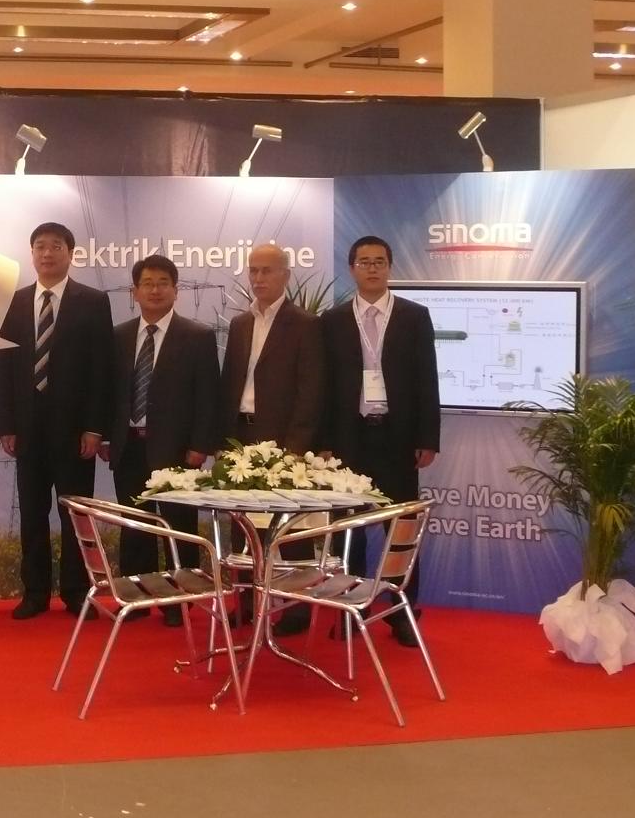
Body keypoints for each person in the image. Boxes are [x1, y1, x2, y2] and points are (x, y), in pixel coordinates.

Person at [321, 235, 441, 646]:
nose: (372, 268)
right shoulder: (332, 320)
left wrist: (428, 438)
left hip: (398, 437)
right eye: (364, 261)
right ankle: (351, 608)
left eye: (379, 261)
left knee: (401, 528)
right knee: (348, 529)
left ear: (389, 267)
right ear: (351, 268)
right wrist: (324, 442)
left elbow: (427, 378)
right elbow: (325, 386)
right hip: (348, 438)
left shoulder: (414, 316)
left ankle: (402, 611)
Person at [0, 221, 115, 620]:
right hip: (27, 430)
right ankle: (35, 593)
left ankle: (77, 592)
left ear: (70, 253)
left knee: (75, 515)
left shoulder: (92, 301)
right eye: (41, 247)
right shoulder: (15, 302)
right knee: (32, 514)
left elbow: (102, 369)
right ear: (32, 254)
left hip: (75, 432)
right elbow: (5, 366)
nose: (48, 253)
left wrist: (95, 427)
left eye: (56, 246)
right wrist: (6, 425)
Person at [105, 254, 220, 626]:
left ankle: (178, 603)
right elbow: (108, 393)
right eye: (147, 284)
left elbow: (208, 396)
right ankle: (136, 599)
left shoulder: (197, 336)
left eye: (163, 283)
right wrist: (107, 437)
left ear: (175, 290)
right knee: (135, 526)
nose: (155, 290)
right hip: (128, 446)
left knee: (178, 528)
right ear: (134, 292)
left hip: (178, 451)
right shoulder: (119, 336)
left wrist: (200, 445)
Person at [219, 242, 325, 632]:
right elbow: (230, 382)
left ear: (286, 275)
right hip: (241, 436)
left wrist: (297, 447)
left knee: (290, 527)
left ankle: (296, 608)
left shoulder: (306, 324)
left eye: (267, 270)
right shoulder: (240, 323)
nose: (259, 278)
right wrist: (223, 439)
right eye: (253, 270)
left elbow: (311, 390)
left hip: (283, 439)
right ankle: (246, 601)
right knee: (244, 526)